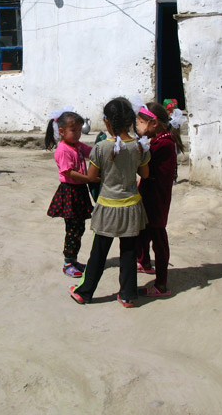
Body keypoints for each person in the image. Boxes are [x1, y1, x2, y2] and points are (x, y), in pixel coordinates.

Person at [68, 97, 150, 308]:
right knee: (129, 252)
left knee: (98, 253)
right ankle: (128, 295)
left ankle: (84, 292)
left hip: (108, 207)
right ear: (131, 121)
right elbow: (145, 174)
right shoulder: (140, 146)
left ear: (107, 121)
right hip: (131, 207)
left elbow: (92, 176)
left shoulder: (102, 147)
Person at [134, 100, 186, 297]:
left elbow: (146, 169)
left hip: (156, 199)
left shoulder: (163, 144)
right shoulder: (159, 140)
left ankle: (161, 284)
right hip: (149, 195)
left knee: (158, 239)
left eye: (140, 122)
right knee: (143, 232)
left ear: (153, 123)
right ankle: (145, 262)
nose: (137, 126)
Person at [45, 110, 97, 278]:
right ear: (62, 131)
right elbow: (69, 173)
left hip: (79, 191)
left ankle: (73, 260)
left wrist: (104, 147)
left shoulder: (78, 146)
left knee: (79, 227)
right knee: (73, 229)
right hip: (70, 192)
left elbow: (92, 152)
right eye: (73, 130)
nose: (78, 134)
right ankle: (68, 263)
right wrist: (89, 178)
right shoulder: (63, 150)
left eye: (80, 130)